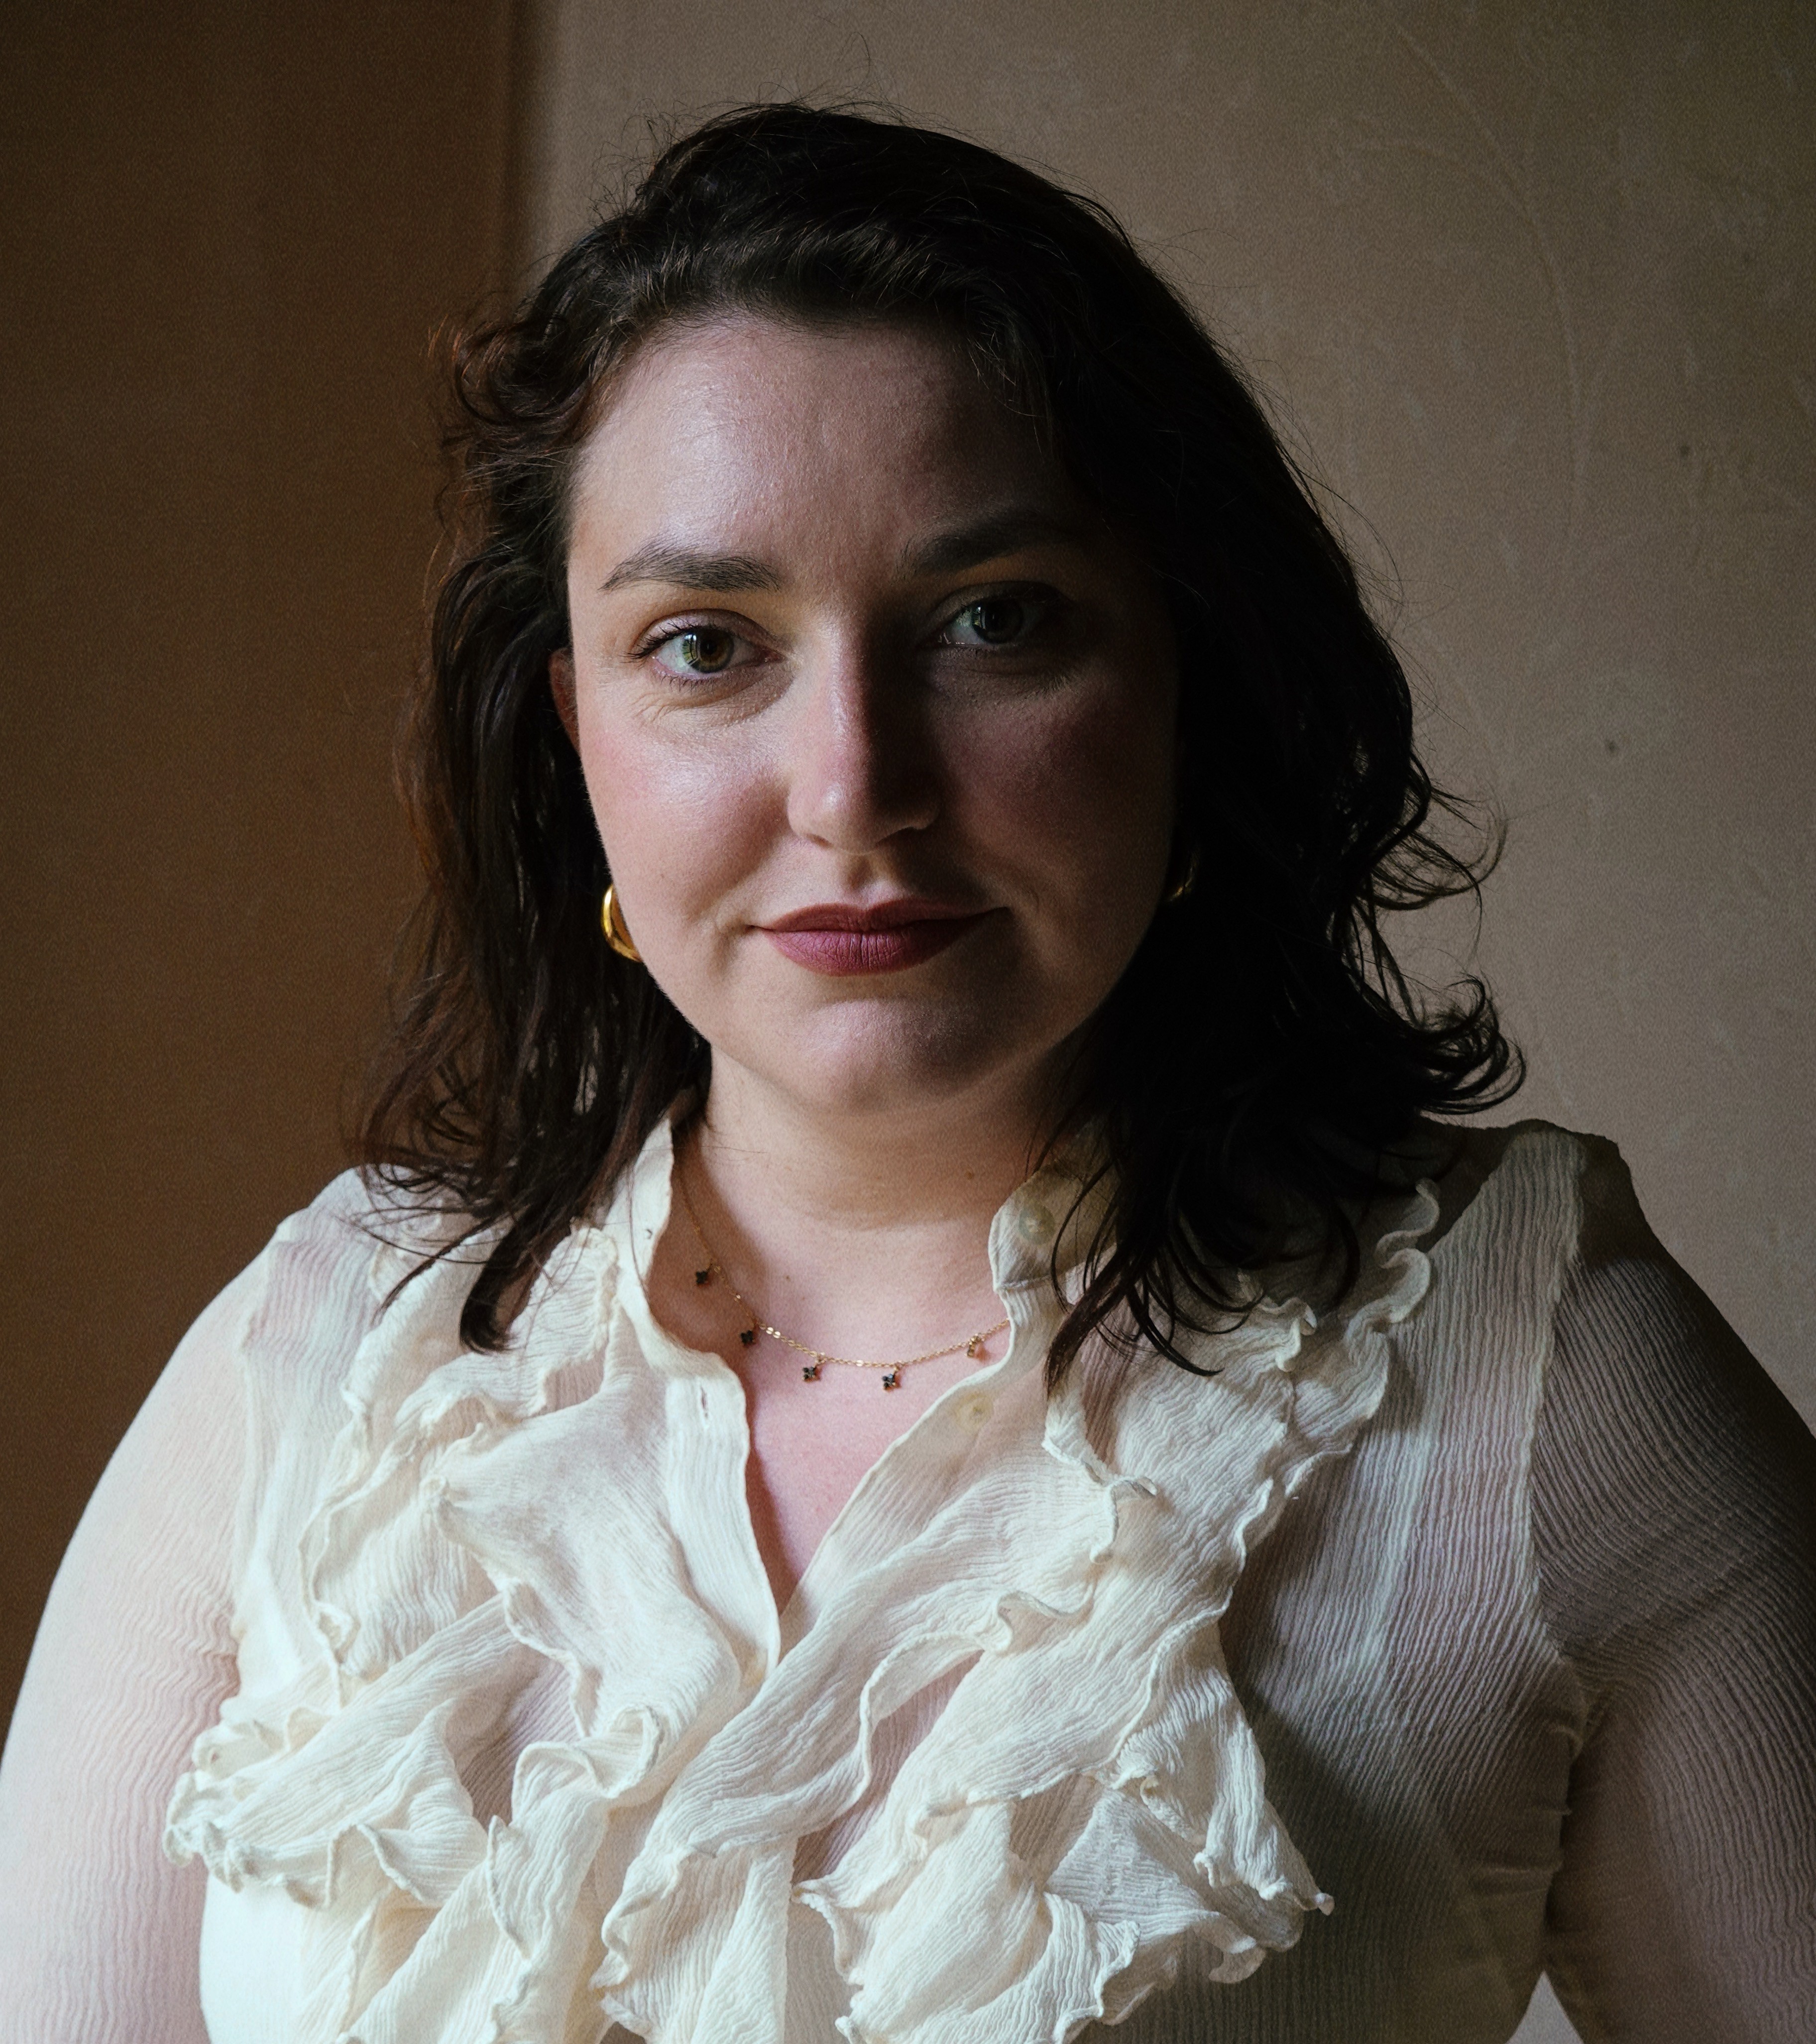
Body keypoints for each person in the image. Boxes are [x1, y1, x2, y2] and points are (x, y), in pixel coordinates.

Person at [1, 101, 1812, 2044]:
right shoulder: (324, 1355)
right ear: (576, 734)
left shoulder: (1544, 1368)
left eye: (993, 622)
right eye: (708, 644)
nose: (855, 785)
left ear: (1188, 678)